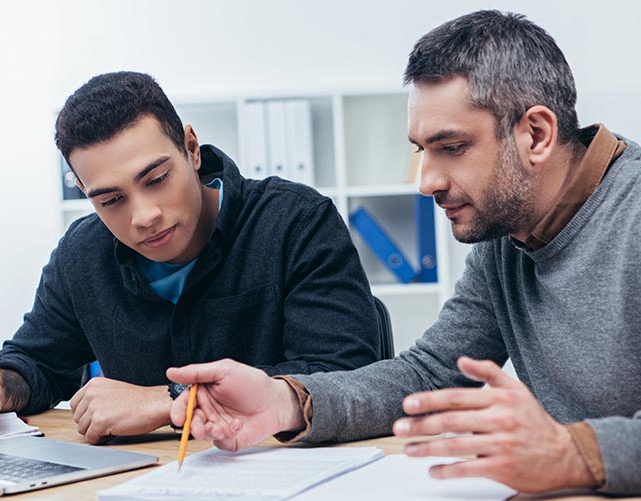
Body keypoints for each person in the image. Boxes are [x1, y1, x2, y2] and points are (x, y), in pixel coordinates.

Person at [168, 10, 641, 495]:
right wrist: (284, 401)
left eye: (452, 147)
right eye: (422, 150)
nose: (427, 182)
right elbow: (430, 373)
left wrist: (570, 453)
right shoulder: (508, 232)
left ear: (536, 134)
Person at [0, 71, 382, 444]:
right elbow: (38, 361)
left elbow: (342, 378)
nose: (144, 216)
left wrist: (164, 401)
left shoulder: (296, 222)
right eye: (110, 200)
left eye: (156, 179)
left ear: (191, 148)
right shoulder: (82, 254)